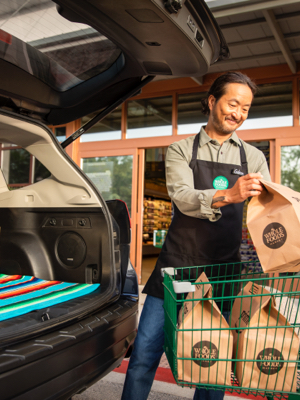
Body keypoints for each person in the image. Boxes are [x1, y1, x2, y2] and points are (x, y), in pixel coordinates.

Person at [121, 71, 271, 400]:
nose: (238, 113)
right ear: (212, 101)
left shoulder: (254, 158)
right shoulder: (180, 150)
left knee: (211, 364)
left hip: (223, 269)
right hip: (177, 266)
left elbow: (268, 211)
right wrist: (229, 195)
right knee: (145, 354)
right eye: (233, 103)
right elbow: (182, 196)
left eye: (245, 108)